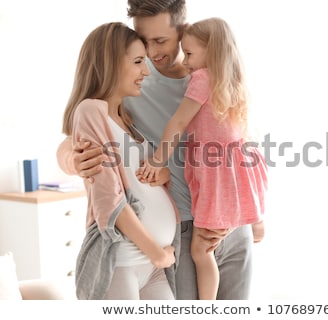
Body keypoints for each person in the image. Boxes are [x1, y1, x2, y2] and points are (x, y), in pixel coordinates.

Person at [57, 0, 257, 300]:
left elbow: (242, 144)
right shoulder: (134, 80)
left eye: (160, 41)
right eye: (144, 41)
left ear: (183, 31)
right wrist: (76, 160)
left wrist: (250, 216)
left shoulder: (213, 74)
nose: (151, 53)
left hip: (232, 221)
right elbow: (72, 140)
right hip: (186, 230)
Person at [137, 17, 268, 300]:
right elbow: (249, 152)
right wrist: (255, 218)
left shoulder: (201, 78)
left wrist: (157, 160)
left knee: (200, 250)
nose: (186, 62)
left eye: (190, 54)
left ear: (211, 51)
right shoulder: (232, 82)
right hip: (234, 184)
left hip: (216, 184)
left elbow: (178, 123)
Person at [61, 21, 178, 300]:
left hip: (153, 264)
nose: (145, 71)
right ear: (110, 63)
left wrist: (165, 176)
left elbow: (142, 183)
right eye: (138, 61)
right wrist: (156, 252)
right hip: (123, 260)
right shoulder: (91, 111)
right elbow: (109, 199)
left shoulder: (128, 121)